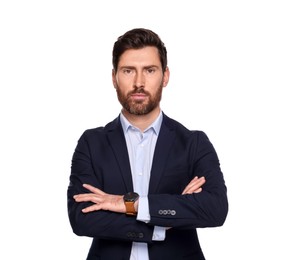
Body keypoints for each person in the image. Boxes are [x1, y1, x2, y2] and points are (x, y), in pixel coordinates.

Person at [67, 28, 228, 260]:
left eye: (149, 70)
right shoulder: (91, 143)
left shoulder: (194, 143)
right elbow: (82, 218)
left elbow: (215, 209)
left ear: (165, 76)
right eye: (128, 71)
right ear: (114, 78)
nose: (139, 82)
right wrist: (167, 220)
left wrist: (127, 204)